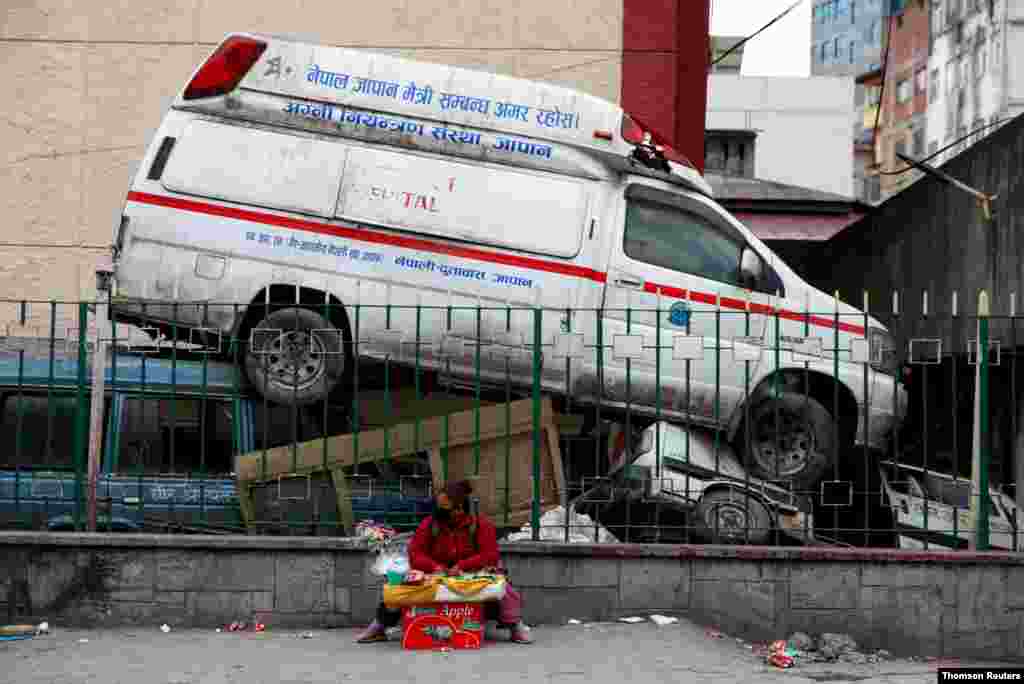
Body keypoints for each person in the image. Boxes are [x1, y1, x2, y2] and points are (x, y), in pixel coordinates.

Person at [355, 480, 532, 644]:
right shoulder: (430, 524)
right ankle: (380, 625)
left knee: (503, 589)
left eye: (446, 509)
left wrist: (462, 566)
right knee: (398, 589)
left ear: (460, 509)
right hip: (436, 574)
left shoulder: (481, 525)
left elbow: (490, 555)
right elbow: (415, 553)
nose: (442, 513)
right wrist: (435, 567)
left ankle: (515, 625)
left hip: (472, 574)